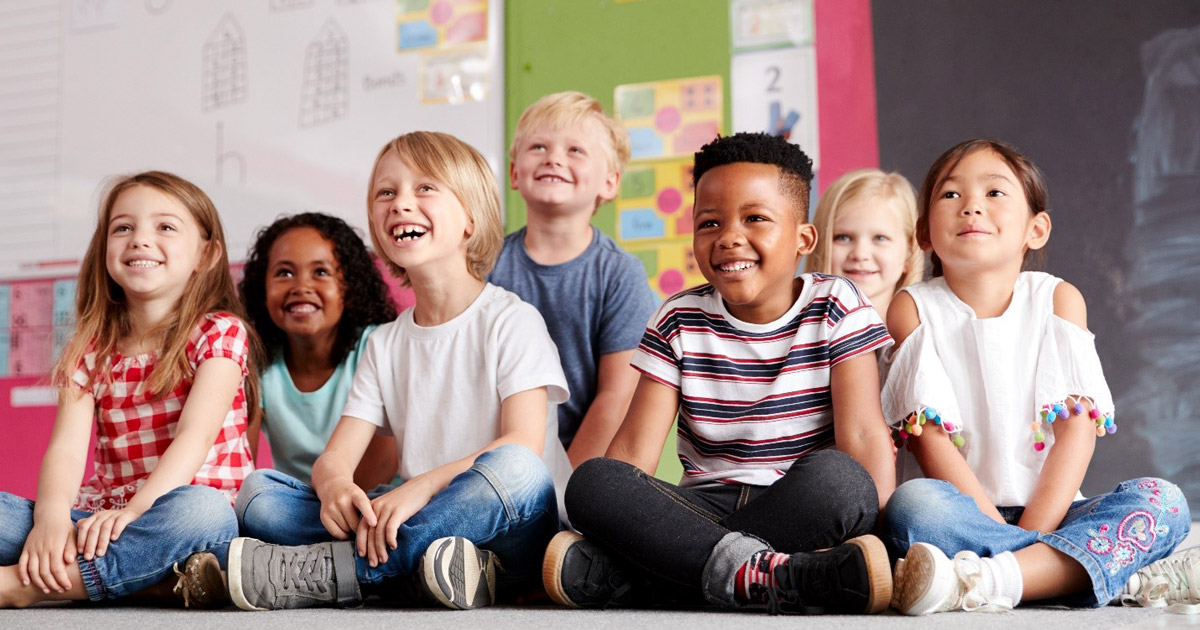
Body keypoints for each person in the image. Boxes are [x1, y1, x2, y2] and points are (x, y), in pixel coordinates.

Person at [543, 132, 896, 615]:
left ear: (803, 239)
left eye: (755, 218)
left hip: (798, 504)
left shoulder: (838, 305)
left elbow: (862, 433)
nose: (729, 236)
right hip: (699, 510)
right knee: (593, 482)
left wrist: (887, 543)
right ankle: (785, 576)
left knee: (842, 480)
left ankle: (649, 579)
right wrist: (609, 509)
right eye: (709, 222)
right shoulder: (677, 319)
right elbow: (631, 455)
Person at [228, 132, 570, 611]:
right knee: (259, 495)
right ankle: (422, 571)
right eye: (385, 193)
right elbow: (335, 459)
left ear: (471, 218)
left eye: (425, 188)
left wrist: (419, 488)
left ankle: (342, 573)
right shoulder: (385, 342)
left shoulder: (512, 320)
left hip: (511, 527)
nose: (400, 204)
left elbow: (522, 447)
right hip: (421, 521)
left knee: (516, 470)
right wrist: (336, 489)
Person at [881, 139, 1191, 615]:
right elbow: (930, 440)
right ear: (924, 234)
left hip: (1058, 513)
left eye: (995, 193)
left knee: (1165, 502)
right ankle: (1071, 572)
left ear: (1037, 228)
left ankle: (992, 578)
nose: (972, 207)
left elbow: (1077, 432)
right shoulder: (913, 307)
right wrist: (1021, 542)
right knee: (913, 506)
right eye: (951, 195)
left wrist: (1037, 532)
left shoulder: (1058, 299)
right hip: (962, 517)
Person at [0, 171, 259, 609]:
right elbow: (65, 450)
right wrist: (51, 519)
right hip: (102, 521)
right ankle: (152, 579)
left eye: (165, 227)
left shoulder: (219, 333)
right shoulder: (90, 347)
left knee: (201, 513)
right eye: (123, 227)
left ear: (207, 254)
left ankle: (29, 585)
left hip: (182, 518)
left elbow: (193, 438)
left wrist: (137, 512)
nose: (140, 239)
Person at [491, 91, 656, 466]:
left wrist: (561, 490)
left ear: (609, 183)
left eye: (575, 151)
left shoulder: (618, 274)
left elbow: (616, 397)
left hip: (578, 465)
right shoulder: (486, 264)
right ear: (515, 172)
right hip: (498, 459)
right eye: (538, 147)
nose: (554, 158)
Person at [236, 212, 398, 494]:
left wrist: (337, 505)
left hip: (374, 498)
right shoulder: (257, 362)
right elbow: (242, 462)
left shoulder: (378, 344)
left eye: (321, 272)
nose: (301, 287)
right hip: (302, 506)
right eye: (284, 273)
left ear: (350, 287)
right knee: (258, 498)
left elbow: (383, 464)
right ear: (262, 289)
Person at [804, 168, 923, 317]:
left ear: (909, 253)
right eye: (843, 237)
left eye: (880, 238)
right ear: (819, 244)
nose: (860, 254)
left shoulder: (929, 336)